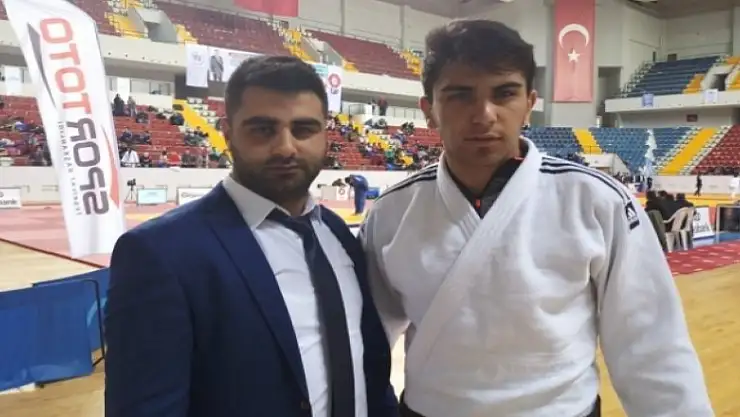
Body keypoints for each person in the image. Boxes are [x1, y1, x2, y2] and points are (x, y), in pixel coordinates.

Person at [360, 20, 712, 417]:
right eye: (460, 95)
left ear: (529, 103)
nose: (484, 115)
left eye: (504, 93)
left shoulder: (596, 200)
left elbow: (651, 343)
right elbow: (364, 342)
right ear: (429, 111)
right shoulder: (391, 213)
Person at [105, 56, 398, 417]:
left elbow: (367, 369)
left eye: (303, 129)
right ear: (228, 133)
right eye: (263, 129)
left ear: (326, 134)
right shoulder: (161, 253)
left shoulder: (337, 234)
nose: (286, 147)